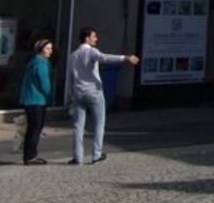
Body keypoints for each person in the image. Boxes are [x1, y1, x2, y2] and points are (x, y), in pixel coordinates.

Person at [66, 26, 138, 164]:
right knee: (99, 123)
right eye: (94, 36)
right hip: (93, 92)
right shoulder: (91, 52)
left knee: (78, 125)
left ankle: (77, 157)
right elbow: (104, 58)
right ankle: (96, 155)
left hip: (78, 92)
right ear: (87, 38)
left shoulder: (73, 55)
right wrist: (125, 57)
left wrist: (71, 94)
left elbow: (70, 77)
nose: (96, 39)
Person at [19, 38, 55, 165]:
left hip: (31, 100)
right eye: (47, 48)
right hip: (36, 100)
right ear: (40, 50)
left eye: (51, 48)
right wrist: (50, 96)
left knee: (33, 129)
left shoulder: (35, 62)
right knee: (35, 129)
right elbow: (44, 83)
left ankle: (29, 155)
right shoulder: (40, 64)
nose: (50, 51)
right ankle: (30, 156)